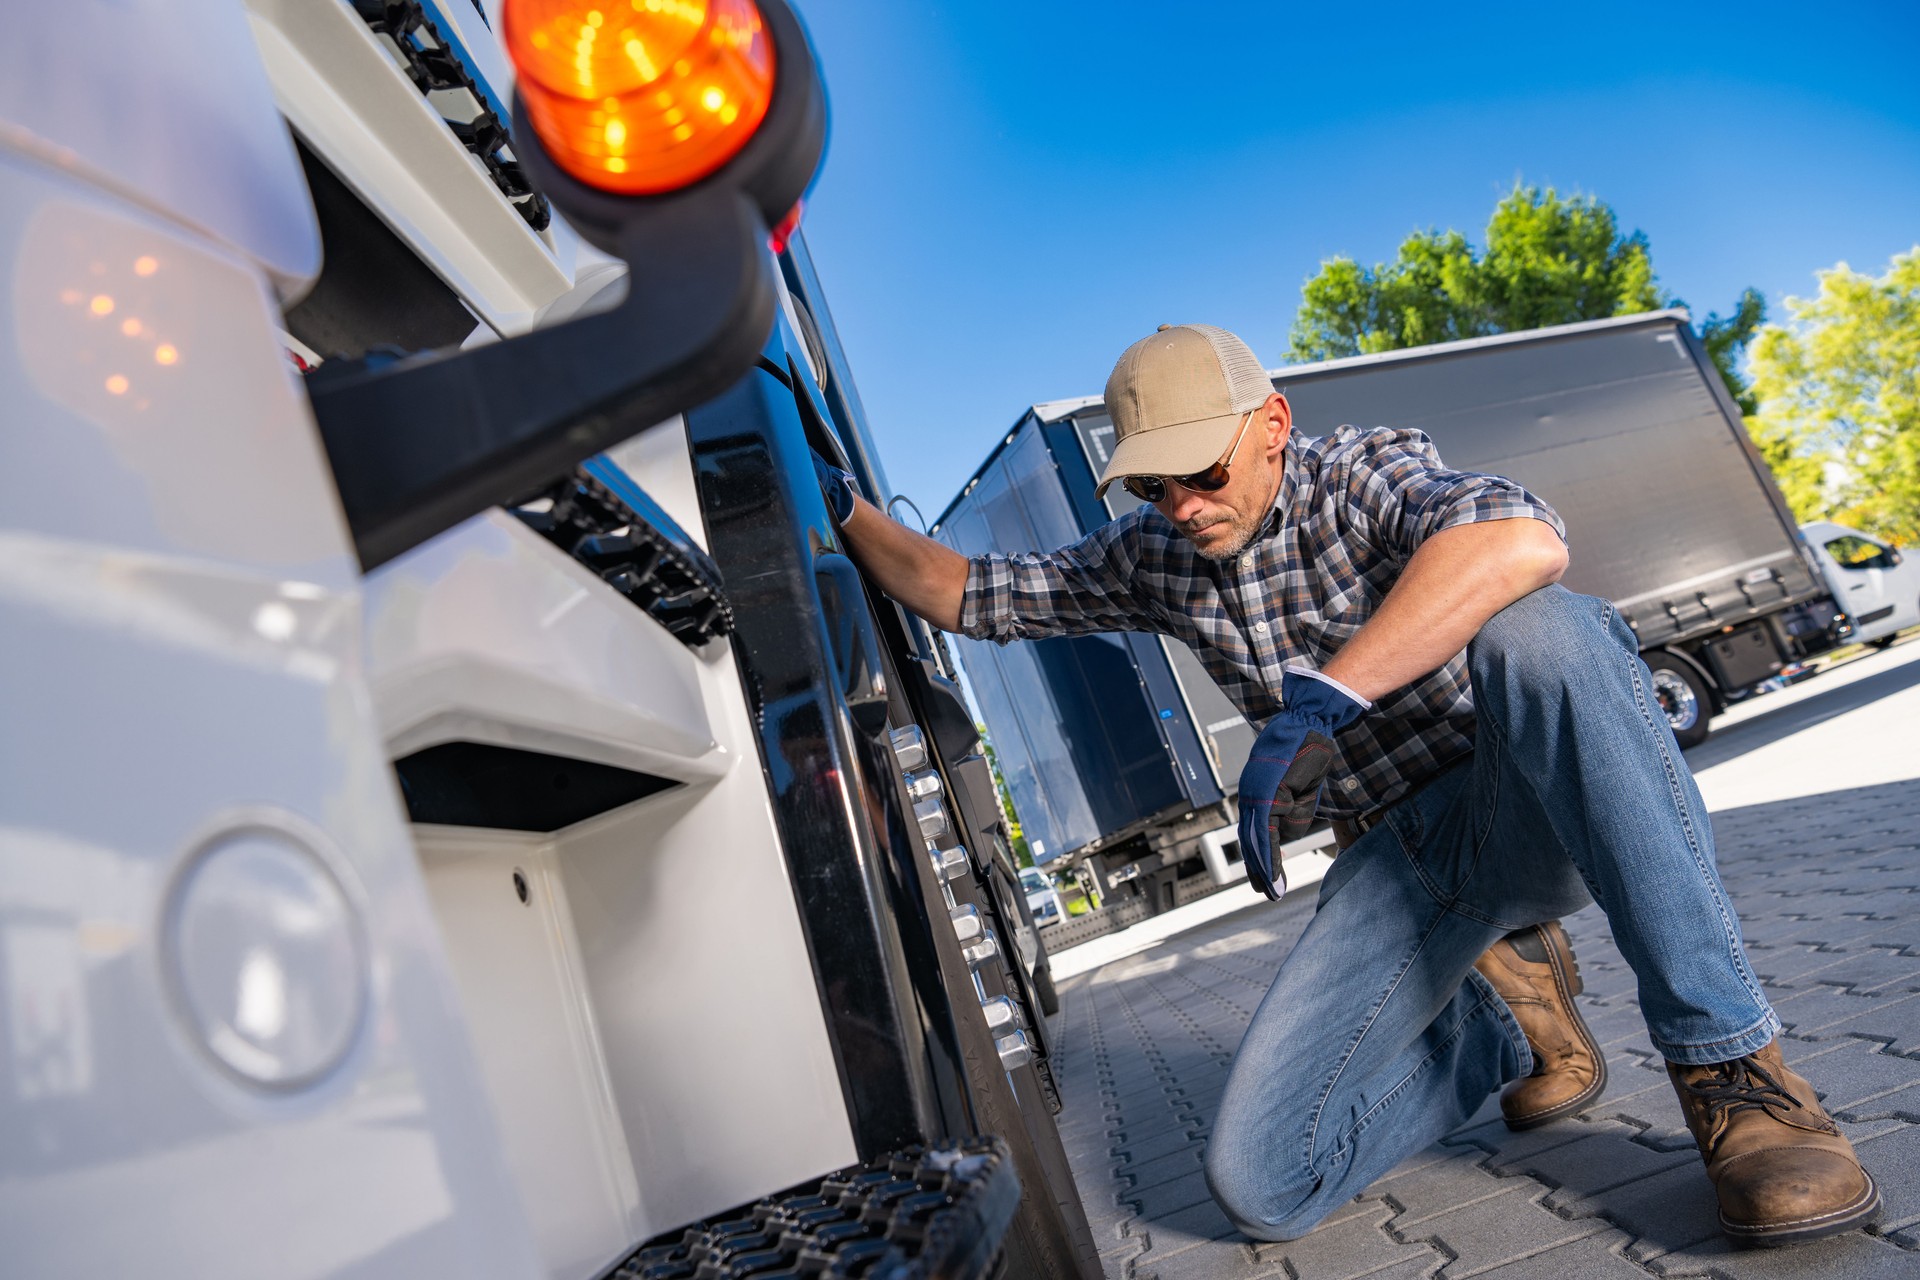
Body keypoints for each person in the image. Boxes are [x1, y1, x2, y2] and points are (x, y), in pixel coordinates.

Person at [815, 323, 1880, 1248]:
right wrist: (835, 501)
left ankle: (1740, 1077)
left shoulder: (1361, 470)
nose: (1181, 506)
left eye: (1203, 473)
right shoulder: (1157, 554)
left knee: (1546, 635)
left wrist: (1324, 697)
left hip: (1523, 801)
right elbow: (969, 592)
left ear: (1272, 423)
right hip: (1402, 860)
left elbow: (1519, 538)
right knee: (1261, 1181)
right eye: (1153, 485)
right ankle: (1504, 1022)